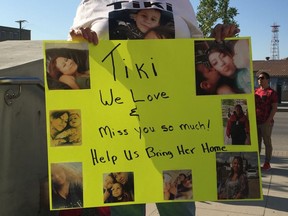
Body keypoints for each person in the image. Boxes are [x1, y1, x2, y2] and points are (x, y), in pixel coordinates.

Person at [68, 0, 240, 215]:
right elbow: (75, 55)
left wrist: (218, 39)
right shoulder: (94, 2)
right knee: (126, 208)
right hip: (117, 131)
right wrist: (77, 40)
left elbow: (197, 53)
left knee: (179, 208)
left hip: (175, 128)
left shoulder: (181, 3)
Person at [255, 71, 278, 171]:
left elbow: (274, 108)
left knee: (267, 142)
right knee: (257, 143)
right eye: (258, 78)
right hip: (256, 122)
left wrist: (269, 120)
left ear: (267, 80)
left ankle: (267, 162)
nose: (260, 80)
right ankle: (256, 162)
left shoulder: (271, 93)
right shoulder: (255, 92)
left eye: (262, 78)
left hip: (266, 122)